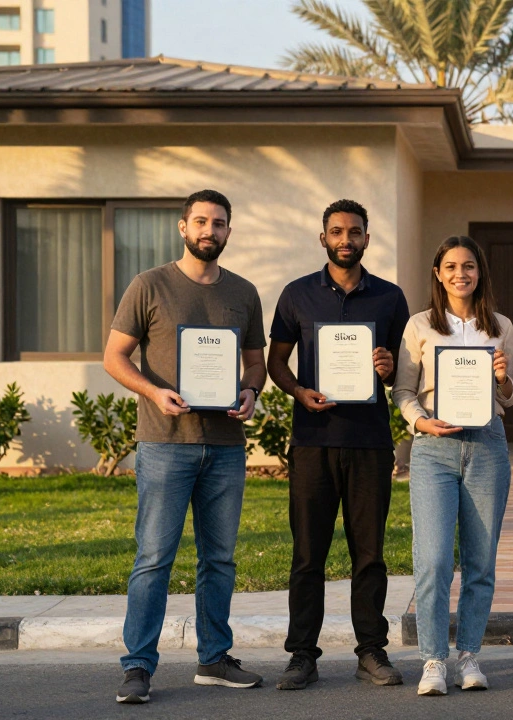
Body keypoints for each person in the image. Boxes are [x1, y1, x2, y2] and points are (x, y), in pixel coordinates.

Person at [105, 189, 268, 704]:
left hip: (225, 445)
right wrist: (155, 392)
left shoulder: (243, 292)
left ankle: (214, 659)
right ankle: (138, 667)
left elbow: (256, 362)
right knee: (154, 557)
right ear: (183, 227)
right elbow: (114, 357)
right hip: (164, 443)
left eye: (218, 224)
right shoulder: (149, 285)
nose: (209, 231)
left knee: (219, 559)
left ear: (228, 231)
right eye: (200, 222)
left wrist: (250, 391)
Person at [266, 199, 410, 690]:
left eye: (354, 232)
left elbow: (403, 376)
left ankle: (371, 650)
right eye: (336, 231)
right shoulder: (296, 295)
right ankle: (301, 655)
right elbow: (276, 363)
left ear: (368, 238)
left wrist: (390, 370)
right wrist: (297, 391)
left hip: (370, 443)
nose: (345, 239)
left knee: (369, 554)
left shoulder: (390, 298)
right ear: (323, 237)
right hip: (312, 442)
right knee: (308, 553)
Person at [392, 236, 513, 696]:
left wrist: (504, 379)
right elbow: (403, 390)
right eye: (451, 266)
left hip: (487, 444)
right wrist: (420, 420)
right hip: (434, 449)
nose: (460, 274)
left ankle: (469, 656)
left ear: (479, 272)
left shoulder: (500, 326)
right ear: (438, 273)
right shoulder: (419, 325)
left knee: (480, 561)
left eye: (469, 266)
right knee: (432, 561)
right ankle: (433, 659)